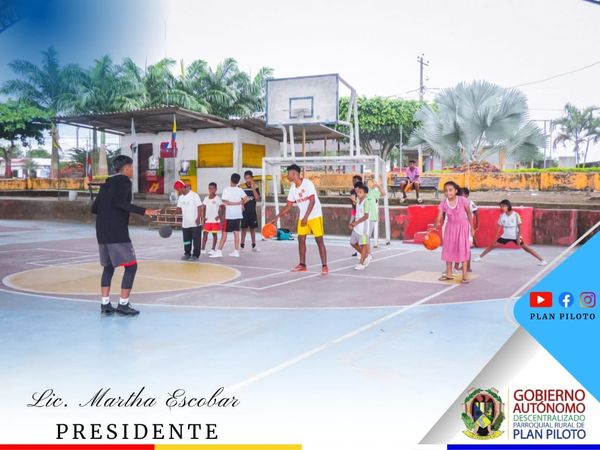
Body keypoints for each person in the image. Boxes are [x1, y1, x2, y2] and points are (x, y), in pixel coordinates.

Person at [91, 155, 160, 316]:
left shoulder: (106, 184)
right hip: (117, 232)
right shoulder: (124, 181)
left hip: (101, 232)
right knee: (131, 266)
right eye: (131, 167)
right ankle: (123, 304)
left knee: (108, 267)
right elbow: (120, 203)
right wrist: (145, 211)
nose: (133, 170)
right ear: (127, 168)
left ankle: (105, 304)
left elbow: (94, 208)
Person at [268, 164, 329, 275]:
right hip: (303, 217)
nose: (287, 176)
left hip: (315, 215)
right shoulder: (292, 188)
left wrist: (306, 217)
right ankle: (302, 265)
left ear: (294, 174)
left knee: (319, 240)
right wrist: (276, 218)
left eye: (288, 174)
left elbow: (312, 201)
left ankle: (324, 266)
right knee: (301, 239)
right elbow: (288, 206)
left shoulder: (307, 183)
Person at [473, 199, 547, 266]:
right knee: (492, 246)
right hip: (505, 236)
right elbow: (499, 228)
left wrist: (518, 238)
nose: (502, 208)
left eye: (503, 206)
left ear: (508, 206)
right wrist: (495, 238)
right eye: (501, 206)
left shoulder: (515, 215)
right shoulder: (502, 216)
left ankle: (542, 260)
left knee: (527, 248)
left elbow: (520, 227)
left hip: (515, 235)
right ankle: (479, 257)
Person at [432, 181, 474, 283]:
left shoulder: (462, 200)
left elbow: (469, 214)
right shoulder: (443, 203)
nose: (448, 192)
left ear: (455, 191)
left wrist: (472, 228)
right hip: (450, 228)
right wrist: (434, 227)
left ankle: (465, 275)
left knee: (463, 249)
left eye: (450, 190)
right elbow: (439, 217)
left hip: (462, 228)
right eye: (446, 191)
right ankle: (449, 274)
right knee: (448, 249)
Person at [210, 173, 248, 258]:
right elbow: (246, 199)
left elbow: (226, 202)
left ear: (230, 180)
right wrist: (241, 204)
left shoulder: (226, 189)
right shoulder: (240, 190)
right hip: (237, 214)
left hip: (229, 215)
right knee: (236, 232)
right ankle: (236, 251)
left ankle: (219, 251)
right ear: (238, 181)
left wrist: (238, 203)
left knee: (224, 233)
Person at [174, 180, 203, 261]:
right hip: (185, 223)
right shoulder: (181, 197)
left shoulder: (194, 195)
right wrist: (174, 213)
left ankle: (196, 255)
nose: (177, 192)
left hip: (195, 223)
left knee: (196, 241)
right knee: (186, 240)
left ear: (181, 188)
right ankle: (187, 253)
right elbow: (179, 208)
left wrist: (198, 218)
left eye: (177, 190)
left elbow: (199, 207)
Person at [363, 178, 387, 261]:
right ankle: (365, 252)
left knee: (366, 236)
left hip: (371, 218)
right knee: (364, 236)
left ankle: (368, 253)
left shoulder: (373, 192)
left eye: (373, 182)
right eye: (371, 182)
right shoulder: (364, 192)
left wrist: (379, 186)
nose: (373, 183)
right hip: (364, 218)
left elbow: (384, 194)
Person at [349, 183, 370, 270]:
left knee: (363, 244)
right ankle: (365, 255)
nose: (358, 193)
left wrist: (356, 222)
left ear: (365, 194)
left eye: (360, 192)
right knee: (352, 242)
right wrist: (352, 223)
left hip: (363, 228)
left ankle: (361, 263)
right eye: (357, 192)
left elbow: (366, 216)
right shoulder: (358, 202)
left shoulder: (366, 202)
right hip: (357, 227)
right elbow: (356, 213)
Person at [240, 170, 261, 252]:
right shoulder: (241, 187)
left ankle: (254, 246)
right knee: (244, 228)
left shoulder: (255, 186)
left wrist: (252, 188)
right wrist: (242, 204)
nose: (247, 180)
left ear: (252, 178)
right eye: (246, 178)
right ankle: (242, 246)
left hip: (252, 211)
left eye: (249, 178)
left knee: (252, 229)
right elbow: (239, 198)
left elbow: (257, 198)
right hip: (244, 212)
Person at [201, 182, 223, 256]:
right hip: (207, 220)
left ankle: (213, 249)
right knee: (205, 234)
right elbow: (204, 208)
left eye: (212, 188)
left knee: (214, 234)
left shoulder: (218, 199)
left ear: (216, 189)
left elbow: (222, 208)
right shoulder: (206, 198)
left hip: (214, 220)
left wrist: (219, 216)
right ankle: (202, 248)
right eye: (209, 188)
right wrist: (203, 217)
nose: (211, 190)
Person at [349, 175, 363, 256]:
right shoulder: (352, 192)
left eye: (355, 181)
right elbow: (354, 206)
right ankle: (358, 251)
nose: (354, 182)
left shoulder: (363, 192)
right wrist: (353, 218)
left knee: (362, 236)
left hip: (361, 216)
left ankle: (364, 253)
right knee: (355, 232)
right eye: (353, 181)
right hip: (355, 213)